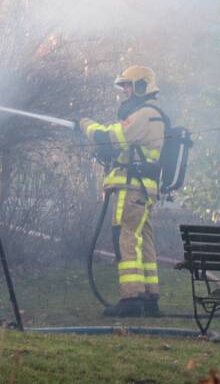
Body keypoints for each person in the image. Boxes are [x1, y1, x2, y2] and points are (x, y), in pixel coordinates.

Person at [79, 66, 165, 318]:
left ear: (141, 86)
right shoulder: (153, 115)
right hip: (143, 188)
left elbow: (111, 136)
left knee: (125, 236)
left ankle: (131, 297)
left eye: (128, 86)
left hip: (132, 187)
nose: (124, 91)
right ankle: (149, 297)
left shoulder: (144, 114)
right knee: (142, 239)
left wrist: (86, 125)